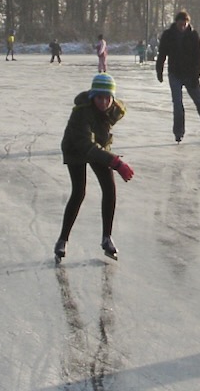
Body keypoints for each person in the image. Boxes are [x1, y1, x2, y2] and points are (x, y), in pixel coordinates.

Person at [54, 73, 134, 261]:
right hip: (76, 148)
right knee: (79, 192)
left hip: (98, 146)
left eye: (108, 98)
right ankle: (62, 240)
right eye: (99, 97)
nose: (104, 102)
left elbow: (104, 132)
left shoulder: (115, 109)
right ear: (92, 97)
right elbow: (86, 147)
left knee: (109, 188)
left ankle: (107, 238)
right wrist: (115, 162)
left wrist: (108, 154)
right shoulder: (81, 113)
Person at [156, 10, 200, 143]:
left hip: (190, 75)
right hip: (175, 74)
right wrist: (159, 71)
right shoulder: (168, 35)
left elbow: (198, 57)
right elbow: (162, 54)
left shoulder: (193, 35)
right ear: (176, 23)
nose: (183, 27)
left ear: (188, 23)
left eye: (185, 24)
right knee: (177, 104)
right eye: (180, 24)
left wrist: (196, 75)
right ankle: (178, 133)